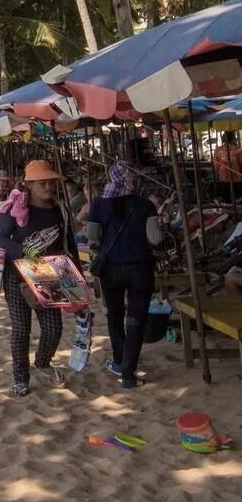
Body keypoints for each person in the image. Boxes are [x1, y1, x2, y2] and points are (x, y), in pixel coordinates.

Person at [0, 160, 82, 397]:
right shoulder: (16, 208)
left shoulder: (59, 209)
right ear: (29, 184)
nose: (48, 186)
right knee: (21, 330)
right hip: (17, 275)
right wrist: (23, 252)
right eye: (42, 182)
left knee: (54, 329)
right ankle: (20, 378)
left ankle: (42, 362)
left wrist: (79, 281)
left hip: (50, 274)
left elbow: (69, 244)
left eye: (51, 182)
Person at [85, 163, 162, 390]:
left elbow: (92, 236)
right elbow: (155, 238)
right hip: (140, 267)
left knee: (114, 314)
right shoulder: (145, 204)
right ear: (133, 179)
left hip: (110, 268)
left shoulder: (98, 203)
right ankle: (129, 373)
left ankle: (119, 360)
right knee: (136, 319)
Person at [214, 131, 242, 201]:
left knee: (226, 199)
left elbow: (216, 166)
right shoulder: (238, 149)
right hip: (236, 178)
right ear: (233, 139)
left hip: (223, 178)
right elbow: (241, 164)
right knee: (238, 198)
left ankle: (228, 210)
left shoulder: (217, 150)